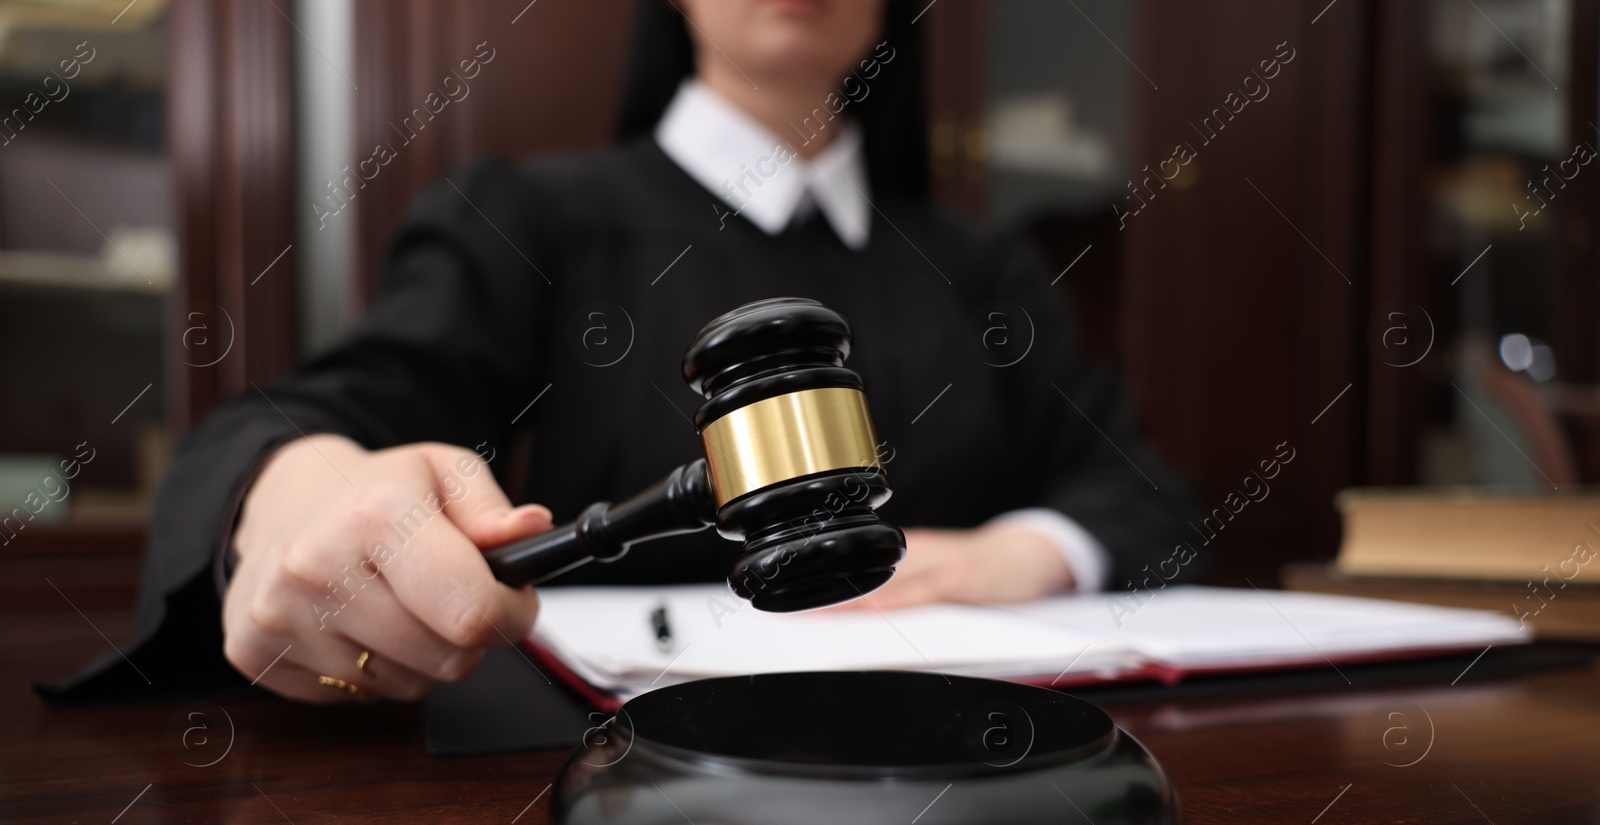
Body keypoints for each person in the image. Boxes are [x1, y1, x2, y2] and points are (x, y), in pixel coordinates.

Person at [80, 0, 1197, 704]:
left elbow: (1144, 491)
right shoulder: (531, 220)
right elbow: (309, 420)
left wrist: (1026, 551)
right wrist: (291, 493)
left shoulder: (981, 266)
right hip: (610, 763)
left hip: (976, 744)